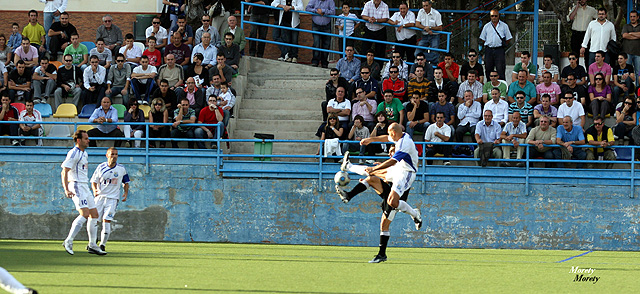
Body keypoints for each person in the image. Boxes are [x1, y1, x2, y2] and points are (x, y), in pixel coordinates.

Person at [339, 122, 423, 263]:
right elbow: (385, 138)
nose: (390, 137)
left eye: (391, 134)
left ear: (395, 133)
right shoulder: (397, 137)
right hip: (397, 170)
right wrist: (370, 140)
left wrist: (377, 168)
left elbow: (392, 161)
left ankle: (415, 214)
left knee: (390, 206)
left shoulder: (405, 143)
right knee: (372, 175)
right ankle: (348, 166)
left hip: (406, 172)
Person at [61, 129, 107, 256]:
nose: (88, 140)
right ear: (78, 140)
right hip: (76, 185)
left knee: (94, 214)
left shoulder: (84, 153)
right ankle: (68, 241)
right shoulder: (73, 153)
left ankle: (92, 245)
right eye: (86, 139)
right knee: (85, 213)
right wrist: (66, 188)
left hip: (84, 186)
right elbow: (64, 171)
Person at [90, 147, 130, 252]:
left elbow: (126, 182)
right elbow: (94, 181)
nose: (114, 156)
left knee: (106, 221)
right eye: (112, 154)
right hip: (99, 198)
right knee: (94, 220)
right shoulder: (101, 167)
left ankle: (102, 245)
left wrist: (125, 193)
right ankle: (93, 242)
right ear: (107, 155)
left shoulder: (121, 169)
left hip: (112, 199)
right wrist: (95, 190)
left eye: (116, 154)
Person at [479, 9, 512, 80]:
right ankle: (489, 85)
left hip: (499, 50)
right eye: (492, 16)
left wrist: (502, 45)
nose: (494, 17)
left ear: (498, 16)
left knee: (501, 69)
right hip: (489, 50)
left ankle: (502, 86)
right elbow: (482, 38)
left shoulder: (504, 26)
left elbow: (508, 38)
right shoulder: (486, 26)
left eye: (495, 16)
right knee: (488, 69)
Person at [306, 0, 335, 67]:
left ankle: (324, 62)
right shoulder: (314, 0)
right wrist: (316, 11)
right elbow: (307, 8)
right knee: (316, 44)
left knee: (326, 45)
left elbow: (333, 12)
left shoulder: (330, 1)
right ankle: (315, 61)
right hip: (316, 25)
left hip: (326, 26)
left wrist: (323, 11)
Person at [568, 0, 597, 66]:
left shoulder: (591, 10)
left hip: (586, 34)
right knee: (575, 54)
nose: (582, 1)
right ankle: (575, 72)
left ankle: (588, 73)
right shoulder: (574, 8)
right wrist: (577, 7)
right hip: (576, 34)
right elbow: (570, 18)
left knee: (587, 55)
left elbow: (598, 19)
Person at [622, 10, 640, 84]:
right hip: (627, 52)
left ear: (637, 17)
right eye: (631, 17)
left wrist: (631, 33)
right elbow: (624, 35)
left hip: (638, 53)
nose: (632, 18)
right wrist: (637, 36)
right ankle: (627, 91)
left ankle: (638, 92)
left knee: (638, 73)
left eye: (634, 16)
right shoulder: (626, 26)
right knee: (627, 73)